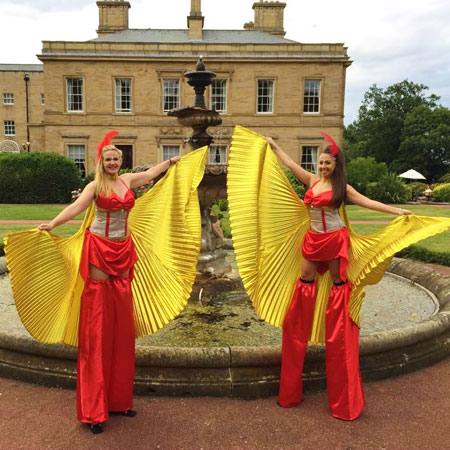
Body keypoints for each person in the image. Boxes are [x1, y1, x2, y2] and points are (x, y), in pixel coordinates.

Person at [226, 125, 450, 421]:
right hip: (312, 239)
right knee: (304, 283)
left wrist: (398, 212)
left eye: (327, 163)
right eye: (320, 162)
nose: (322, 166)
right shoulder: (310, 180)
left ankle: (337, 326)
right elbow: (292, 165)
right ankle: (300, 333)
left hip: (334, 240)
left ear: (335, 166)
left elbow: (369, 202)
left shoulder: (342, 189)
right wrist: (273, 146)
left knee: (337, 285)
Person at [6, 130, 208, 435]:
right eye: (108, 159)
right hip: (99, 251)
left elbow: (152, 173)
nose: (113, 163)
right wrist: (54, 223)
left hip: (124, 250)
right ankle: (93, 410)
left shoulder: (127, 182)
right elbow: (76, 209)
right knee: (98, 329)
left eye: (117, 159)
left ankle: (119, 400)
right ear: (101, 161)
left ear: (121, 161)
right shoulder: (94, 186)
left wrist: (171, 161)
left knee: (122, 328)